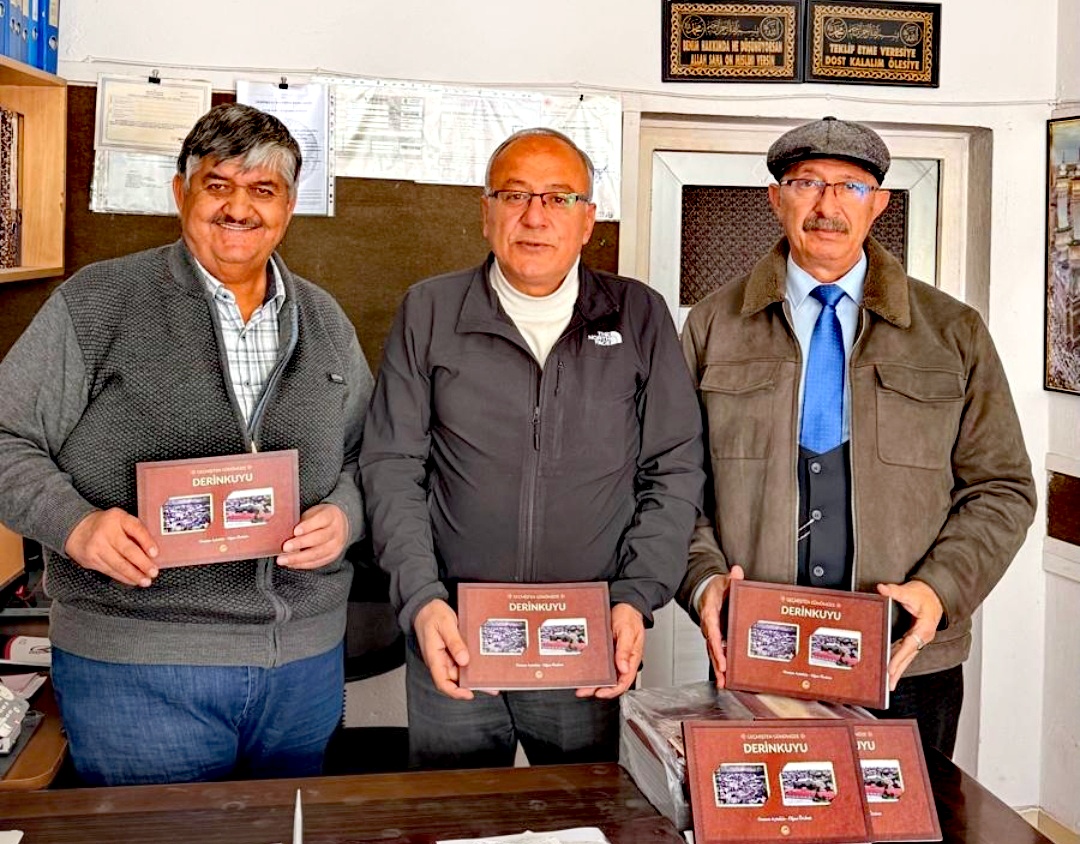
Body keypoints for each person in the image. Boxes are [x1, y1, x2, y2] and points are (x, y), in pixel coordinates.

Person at [0, 103, 373, 785]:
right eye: (218, 185)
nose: (239, 208)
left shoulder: (324, 319)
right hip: (138, 669)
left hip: (301, 671)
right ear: (181, 193)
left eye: (262, 190)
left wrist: (345, 514)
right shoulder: (99, 302)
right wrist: (76, 525)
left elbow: (364, 457)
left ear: (289, 207)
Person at [678, 116, 1036, 757]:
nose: (827, 205)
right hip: (760, 651)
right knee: (766, 827)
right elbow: (675, 483)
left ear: (880, 205)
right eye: (806, 183)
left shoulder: (953, 332)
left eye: (850, 187)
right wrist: (704, 583)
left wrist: (940, 589)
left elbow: (1002, 487)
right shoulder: (711, 328)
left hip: (904, 659)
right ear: (774, 198)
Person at [360, 127, 704, 769]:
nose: (535, 216)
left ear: (588, 220)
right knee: (455, 823)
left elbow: (674, 469)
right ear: (485, 212)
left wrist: (635, 597)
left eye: (558, 198)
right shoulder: (429, 311)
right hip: (455, 633)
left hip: (586, 639)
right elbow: (392, 466)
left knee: (587, 819)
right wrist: (422, 600)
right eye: (514, 195)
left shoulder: (639, 316)